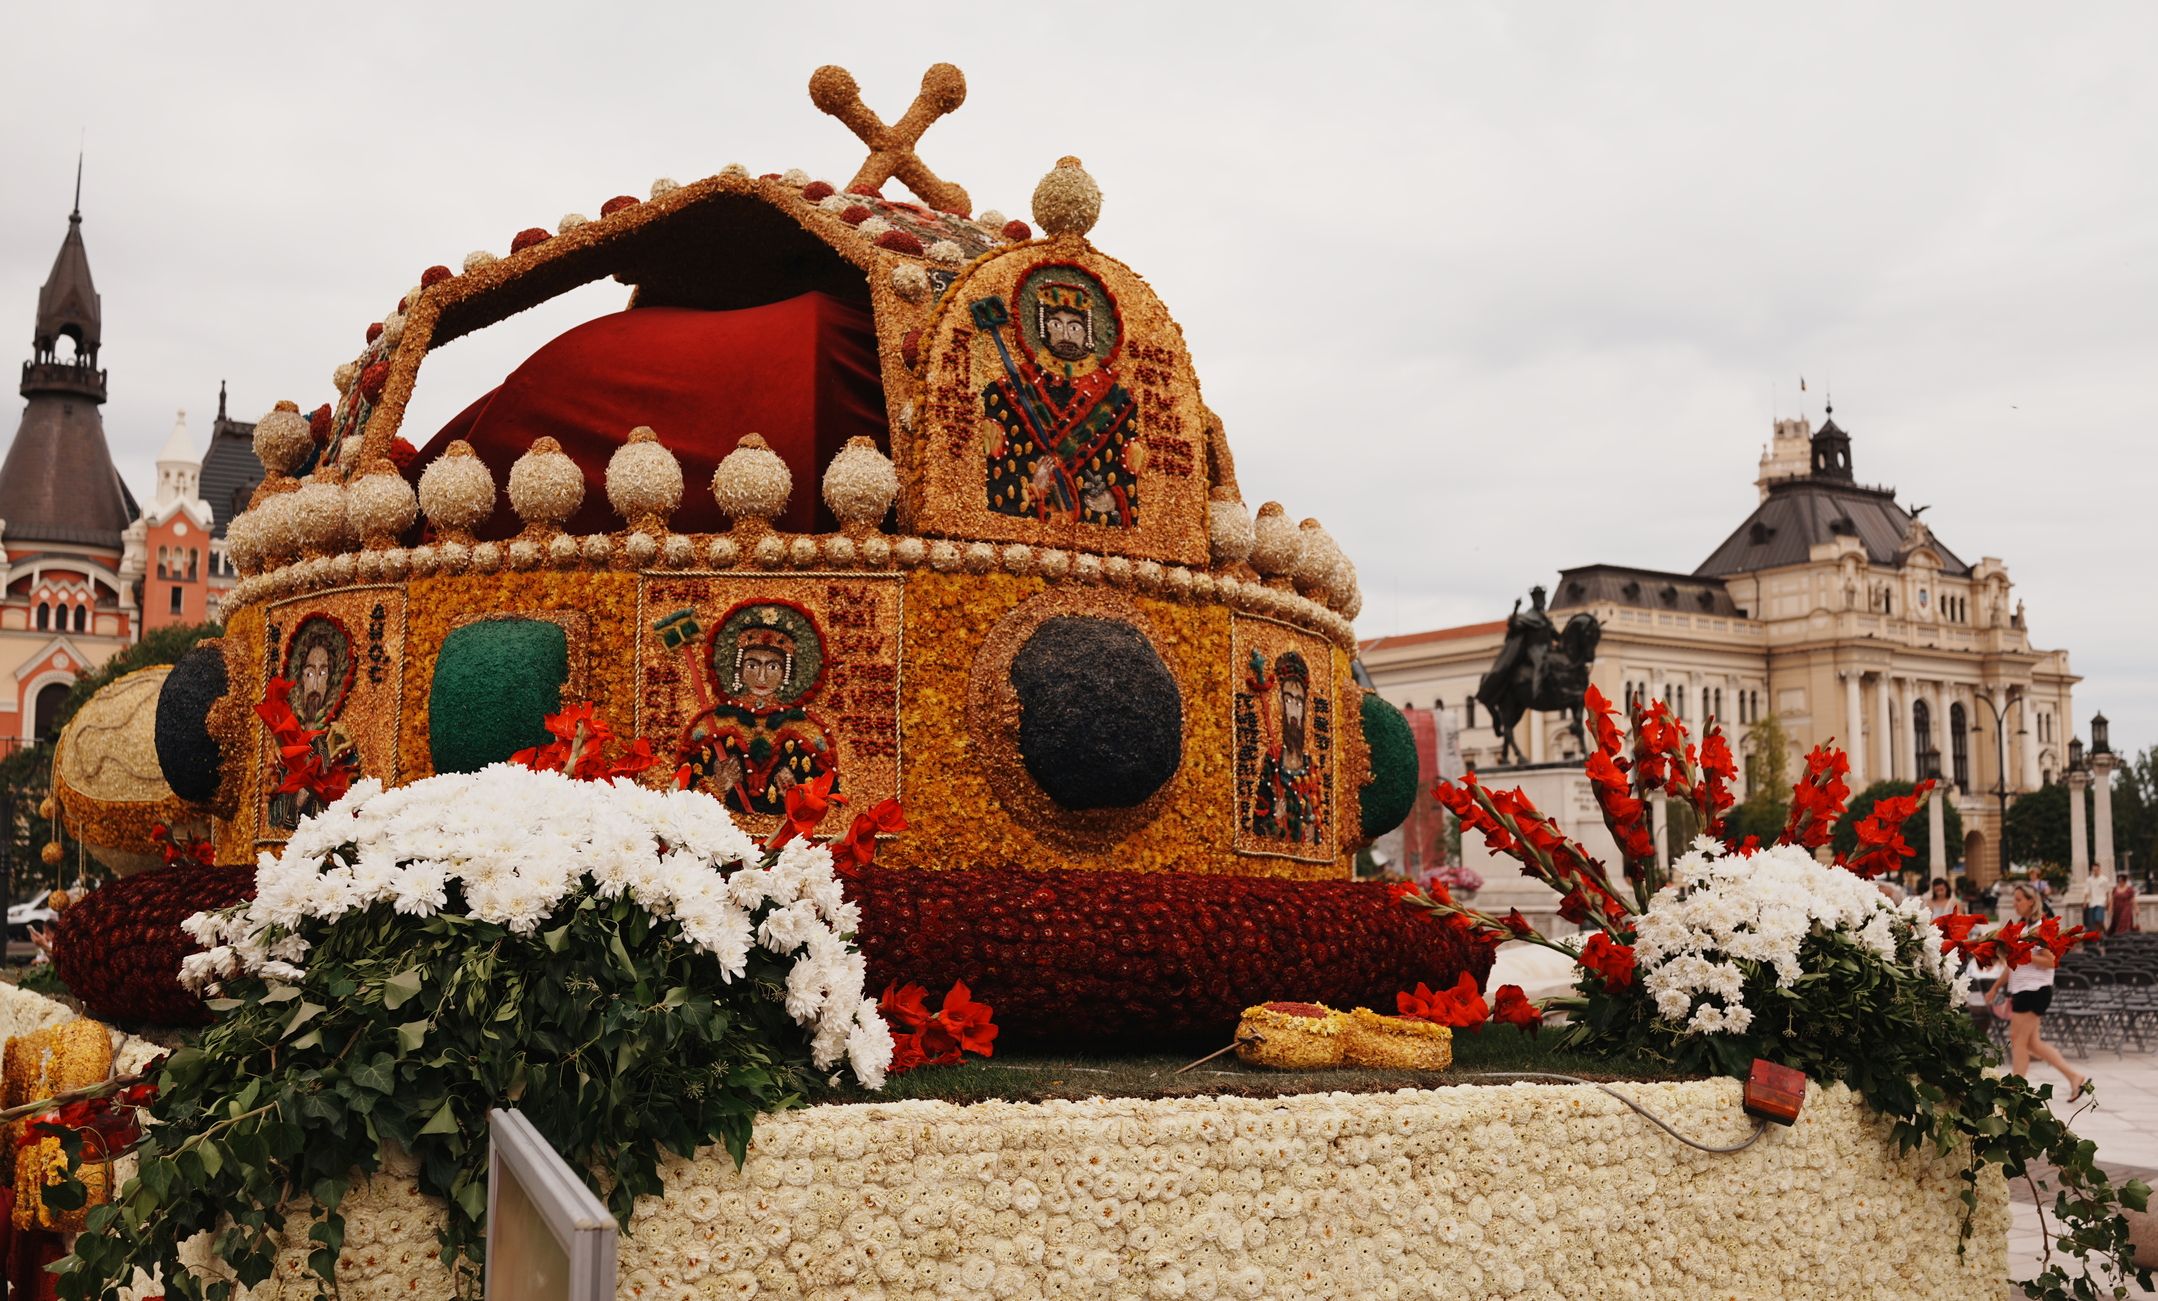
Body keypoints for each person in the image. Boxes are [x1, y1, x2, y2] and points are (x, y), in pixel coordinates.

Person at [1985, 882, 2088, 1098]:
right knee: (2032, 1043)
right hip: (2023, 988)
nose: (2015, 903)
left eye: (2019, 899)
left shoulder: (2042, 928)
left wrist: (2025, 953)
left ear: (2031, 901)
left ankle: (2015, 1091)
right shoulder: (2022, 929)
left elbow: (2051, 962)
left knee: (2018, 1040)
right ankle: (2074, 1078)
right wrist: (1995, 987)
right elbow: (2014, 965)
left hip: (2035, 989)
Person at [2085, 863, 2112, 931]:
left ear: (2099, 869)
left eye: (2096, 869)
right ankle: (2101, 934)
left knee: (2099, 919)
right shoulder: (2089, 880)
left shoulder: (2104, 879)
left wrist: (2108, 901)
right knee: (2093, 921)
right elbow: (2087, 891)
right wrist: (2085, 902)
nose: (2095, 871)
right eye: (2094, 870)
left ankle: (2103, 932)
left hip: (2101, 902)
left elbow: (2107, 891)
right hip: (2092, 903)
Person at [2111, 871, 2139, 936]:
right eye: (2119, 881)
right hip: (2117, 909)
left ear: (2124, 881)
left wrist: (2136, 908)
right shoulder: (2115, 889)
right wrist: (2110, 907)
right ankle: (2122, 935)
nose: (2120, 882)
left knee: (2123, 921)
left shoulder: (2129, 889)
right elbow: (2112, 899)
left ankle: (2121, 935)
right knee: (2117, 922)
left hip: (2126, 908)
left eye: (2121, 881)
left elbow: (2133, 899)